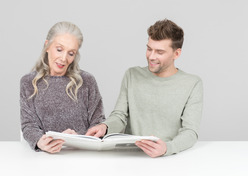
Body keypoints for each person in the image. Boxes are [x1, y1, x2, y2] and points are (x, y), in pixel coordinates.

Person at [86, 19, 203, 157]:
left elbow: (190, 132)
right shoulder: (132, 75)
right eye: (149, 49)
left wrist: (167, 148)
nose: (151, 56)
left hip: (169, 159)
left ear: (176, 54)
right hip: (131, 156)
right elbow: (120, 116)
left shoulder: (192, 83)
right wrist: (105, 127)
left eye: (159, 52)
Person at [20, 21, 105, 153]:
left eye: (71, 53)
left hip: (83, 156)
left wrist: (80, 139)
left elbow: (98, 123)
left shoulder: (87, 81)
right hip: (45, 158)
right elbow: (28, 125)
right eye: (59, 49)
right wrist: (40, 142)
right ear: (47, 46)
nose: (64, 58)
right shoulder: (28, 82)